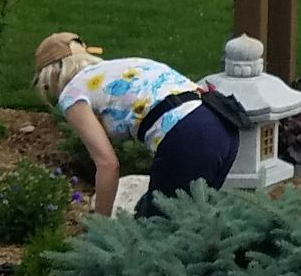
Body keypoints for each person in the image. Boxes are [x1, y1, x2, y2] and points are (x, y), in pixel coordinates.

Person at [33, 33, 240, 220]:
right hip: (222, 124)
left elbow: (107, 165)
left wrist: (99, 229)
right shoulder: (117, 68)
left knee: (154, 233)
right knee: (193, 224)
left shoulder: (72, 93)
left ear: (51, 75)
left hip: (189, 136)